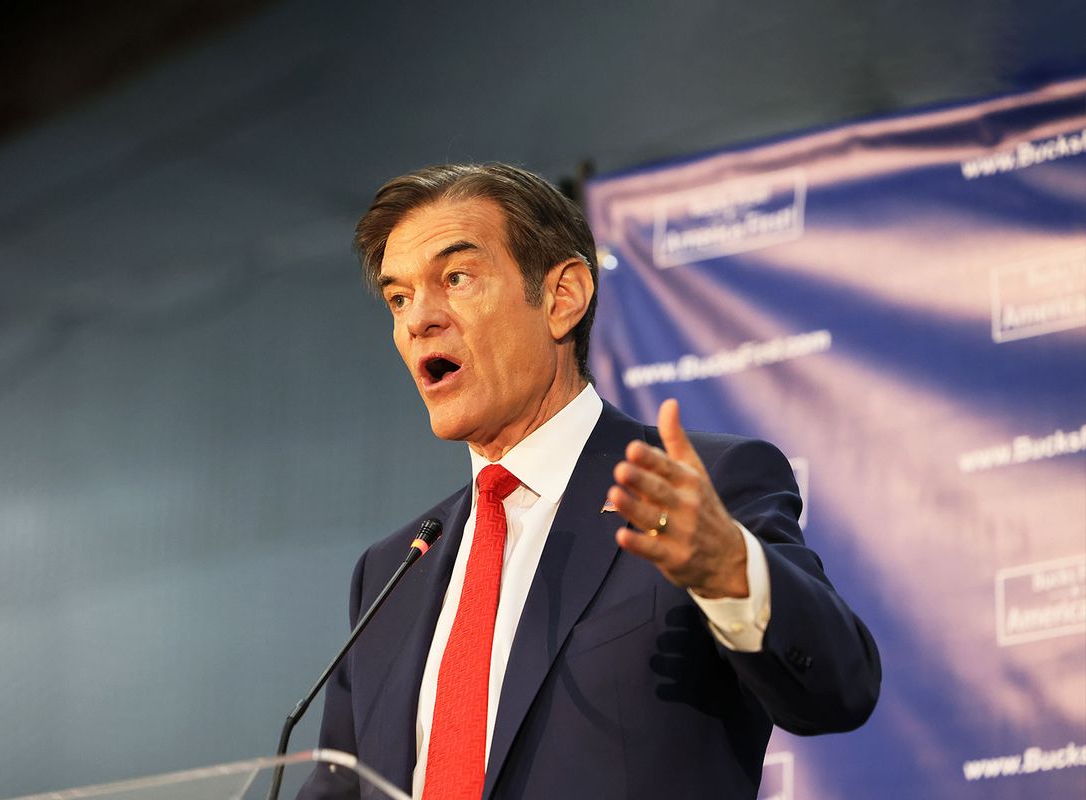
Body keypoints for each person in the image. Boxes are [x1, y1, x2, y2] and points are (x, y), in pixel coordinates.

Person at [298, 163, 880, 799]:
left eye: (456, 278)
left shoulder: (700, 489)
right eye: (399, 298)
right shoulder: (391, 574)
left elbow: (837, 689)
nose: (418, 321)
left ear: (562, 297)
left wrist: (729, 571)